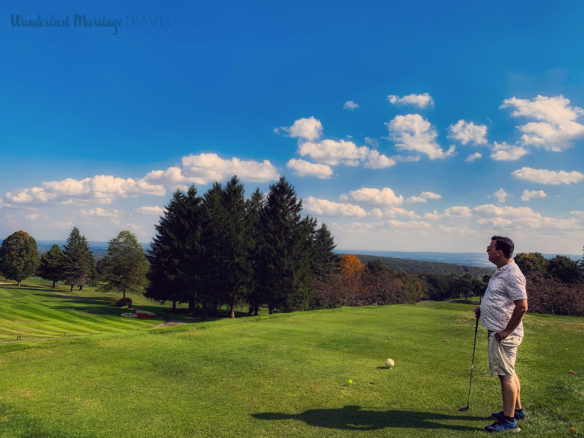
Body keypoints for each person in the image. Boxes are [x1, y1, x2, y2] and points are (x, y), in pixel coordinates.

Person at [475, 236, 528, 433]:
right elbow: (500, 299)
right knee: (510, 372)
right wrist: (483, 309)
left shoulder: (512, 274)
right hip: (499, 331)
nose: (487, 249)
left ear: (499, 252)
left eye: (490, 247)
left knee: (505, 375)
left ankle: (509, 421)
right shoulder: (501, 272)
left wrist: (506, 331)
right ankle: (517, 410)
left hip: (503, 334)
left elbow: (522, 307)